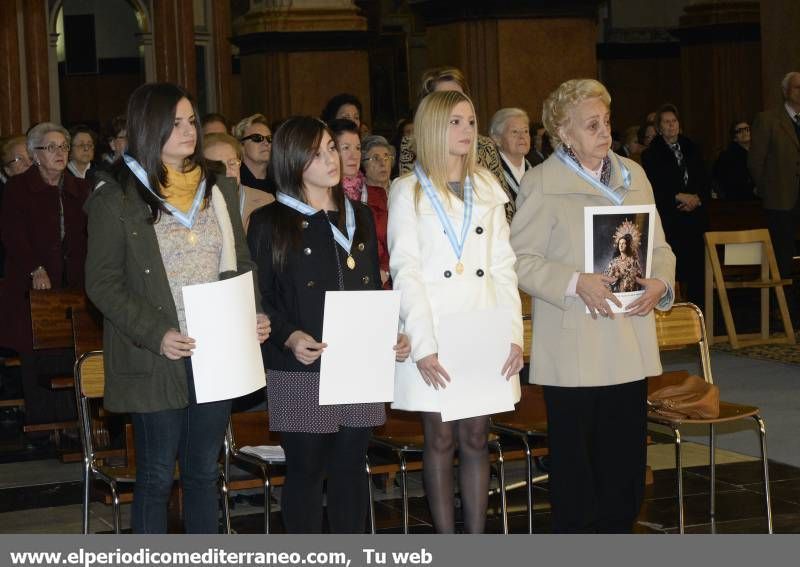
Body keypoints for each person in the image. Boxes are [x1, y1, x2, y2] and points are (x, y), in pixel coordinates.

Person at [84, 82, 270, 534]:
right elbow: (101, 283)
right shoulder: (117, 196)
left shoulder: (217, 188)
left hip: (216, 351)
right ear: (149, 127)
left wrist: (252, 313)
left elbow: (240, 263)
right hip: (157, 353)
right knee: (154, 477)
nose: (189, 131)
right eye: (175, 123)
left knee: (206, 473)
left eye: (191, 121)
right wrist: (156, 333)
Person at [511, 78, 675, 533]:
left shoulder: (633, 174)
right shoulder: (542, 183)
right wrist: (572, 281)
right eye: (591, 125)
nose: (604, 132)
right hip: (574, 347)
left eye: (606, 121)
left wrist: (662, 280)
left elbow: (660, 245)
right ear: (563, 132)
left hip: (628, 340)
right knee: (577, 477)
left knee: (625, 472)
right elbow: (519, 260)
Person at [247, 116, 409, 533]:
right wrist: (288, 336)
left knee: (352, 467)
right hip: (300, 364)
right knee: (305, 469)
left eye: (331, 149)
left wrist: (390, 330)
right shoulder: (271, 222)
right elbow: (259, 299)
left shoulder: (358, 215)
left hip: (359, 361)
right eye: (317, 153)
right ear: (294, 161)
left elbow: (373, 283)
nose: (331, 159)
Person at [388, 90, 523, 533]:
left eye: (471, 121)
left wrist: (514, 336)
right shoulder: (407, 191)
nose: (467, 130)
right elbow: (406, 271)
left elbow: (504, 266)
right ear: (432, 127)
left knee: (477, 438)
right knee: (441, 438)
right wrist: (423, 346)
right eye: (455, 122)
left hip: (483, 326)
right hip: (436, 329)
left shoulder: (488, 185)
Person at [0, 122, 90, 430]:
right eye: (50, 147)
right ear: (34, 154)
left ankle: (76, 425)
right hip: (31, 287)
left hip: (73, 286)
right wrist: (35, 268)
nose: (59, 153)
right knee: (37, 352)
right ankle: (44, 426)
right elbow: (13, 236)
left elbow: (88, 235)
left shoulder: (80, 188)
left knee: (74, 350)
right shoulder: (18, 188)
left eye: (63, 146)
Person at [397, 66, 516, 222]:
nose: (453, 103)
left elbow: (505, 207)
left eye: (458, 96)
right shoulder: (412, 145)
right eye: (445, 98)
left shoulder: (485, 145)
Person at [641, 103, 709, 307]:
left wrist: (696, 198)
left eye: (674, 121)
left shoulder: (691, 147)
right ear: (659, 128)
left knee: (698, 272)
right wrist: (678, 196)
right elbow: (655, 186)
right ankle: (677, 314)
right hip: (671, 220)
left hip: (695, 219)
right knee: (674, 270)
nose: (672, 126)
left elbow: (705, 178)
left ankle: (700, 316)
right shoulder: (652, 153)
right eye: (667, 123)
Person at [749, 70, 800, 319]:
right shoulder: (769, 119)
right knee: (782, 258)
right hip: (781, 201)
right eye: (797, 88)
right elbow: (756, 162)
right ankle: (784, 314)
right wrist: (769, 191)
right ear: (786, 91)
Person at [329, 120, 391, 288]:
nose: (354, 155)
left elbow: (393, 241)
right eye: (346, 148)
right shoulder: (323, 197)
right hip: (339, 287)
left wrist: (385, 271)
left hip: (378, 285)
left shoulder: (377, 195)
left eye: (357, 148)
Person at [203, 132, 274, 232]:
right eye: (218, 167)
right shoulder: (197, 205)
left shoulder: (266, 201)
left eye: (232, 163)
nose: (228, 172)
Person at [489, 107, 533, 196]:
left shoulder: (538, 166)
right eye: (515, 132)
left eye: (525, 131)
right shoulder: (490, 174)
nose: (522, 137)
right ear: (497, 139)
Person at [714, 120, 755, 201]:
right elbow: (728, 183)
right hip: (738, 201)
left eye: (747, 129)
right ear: (734, 138)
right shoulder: (727, 156)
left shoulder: (759, 152)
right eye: (740, 131)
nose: (744, 133)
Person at [233, 114, 272, 194]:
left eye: (269, 138)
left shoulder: (281, 183)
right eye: (257, 138)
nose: (266, 143)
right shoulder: (234, 181)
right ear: (241, 146)